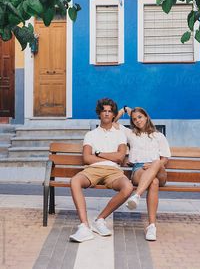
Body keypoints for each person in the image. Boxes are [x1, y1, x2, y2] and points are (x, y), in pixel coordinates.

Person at [69, 98, 133, 243]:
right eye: (104, 111)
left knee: (128, 187)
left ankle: (100, 220)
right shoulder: (91, 135)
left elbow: (121, 157)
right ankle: (84, 226)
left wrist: (98, 154)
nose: (107, 114)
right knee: (74, 181)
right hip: (93, 170)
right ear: (99, 113)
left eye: (110, 111)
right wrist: (111, 157)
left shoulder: (120, 134)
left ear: (113, 115)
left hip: (113, 172)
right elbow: (86, 158)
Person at [114, 106, 171, 241]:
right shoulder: (130, 134)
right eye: (134, 119)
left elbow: (165, 158)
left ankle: (137, 195)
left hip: (158, 169)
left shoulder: (159, 136)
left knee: (157, 162)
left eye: (140, 117)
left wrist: (153, 165)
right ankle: (152, 227)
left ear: (146, 117)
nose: (137, 121)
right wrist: (123, 111)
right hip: (139, 169)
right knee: (154, 182)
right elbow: (113, 123)